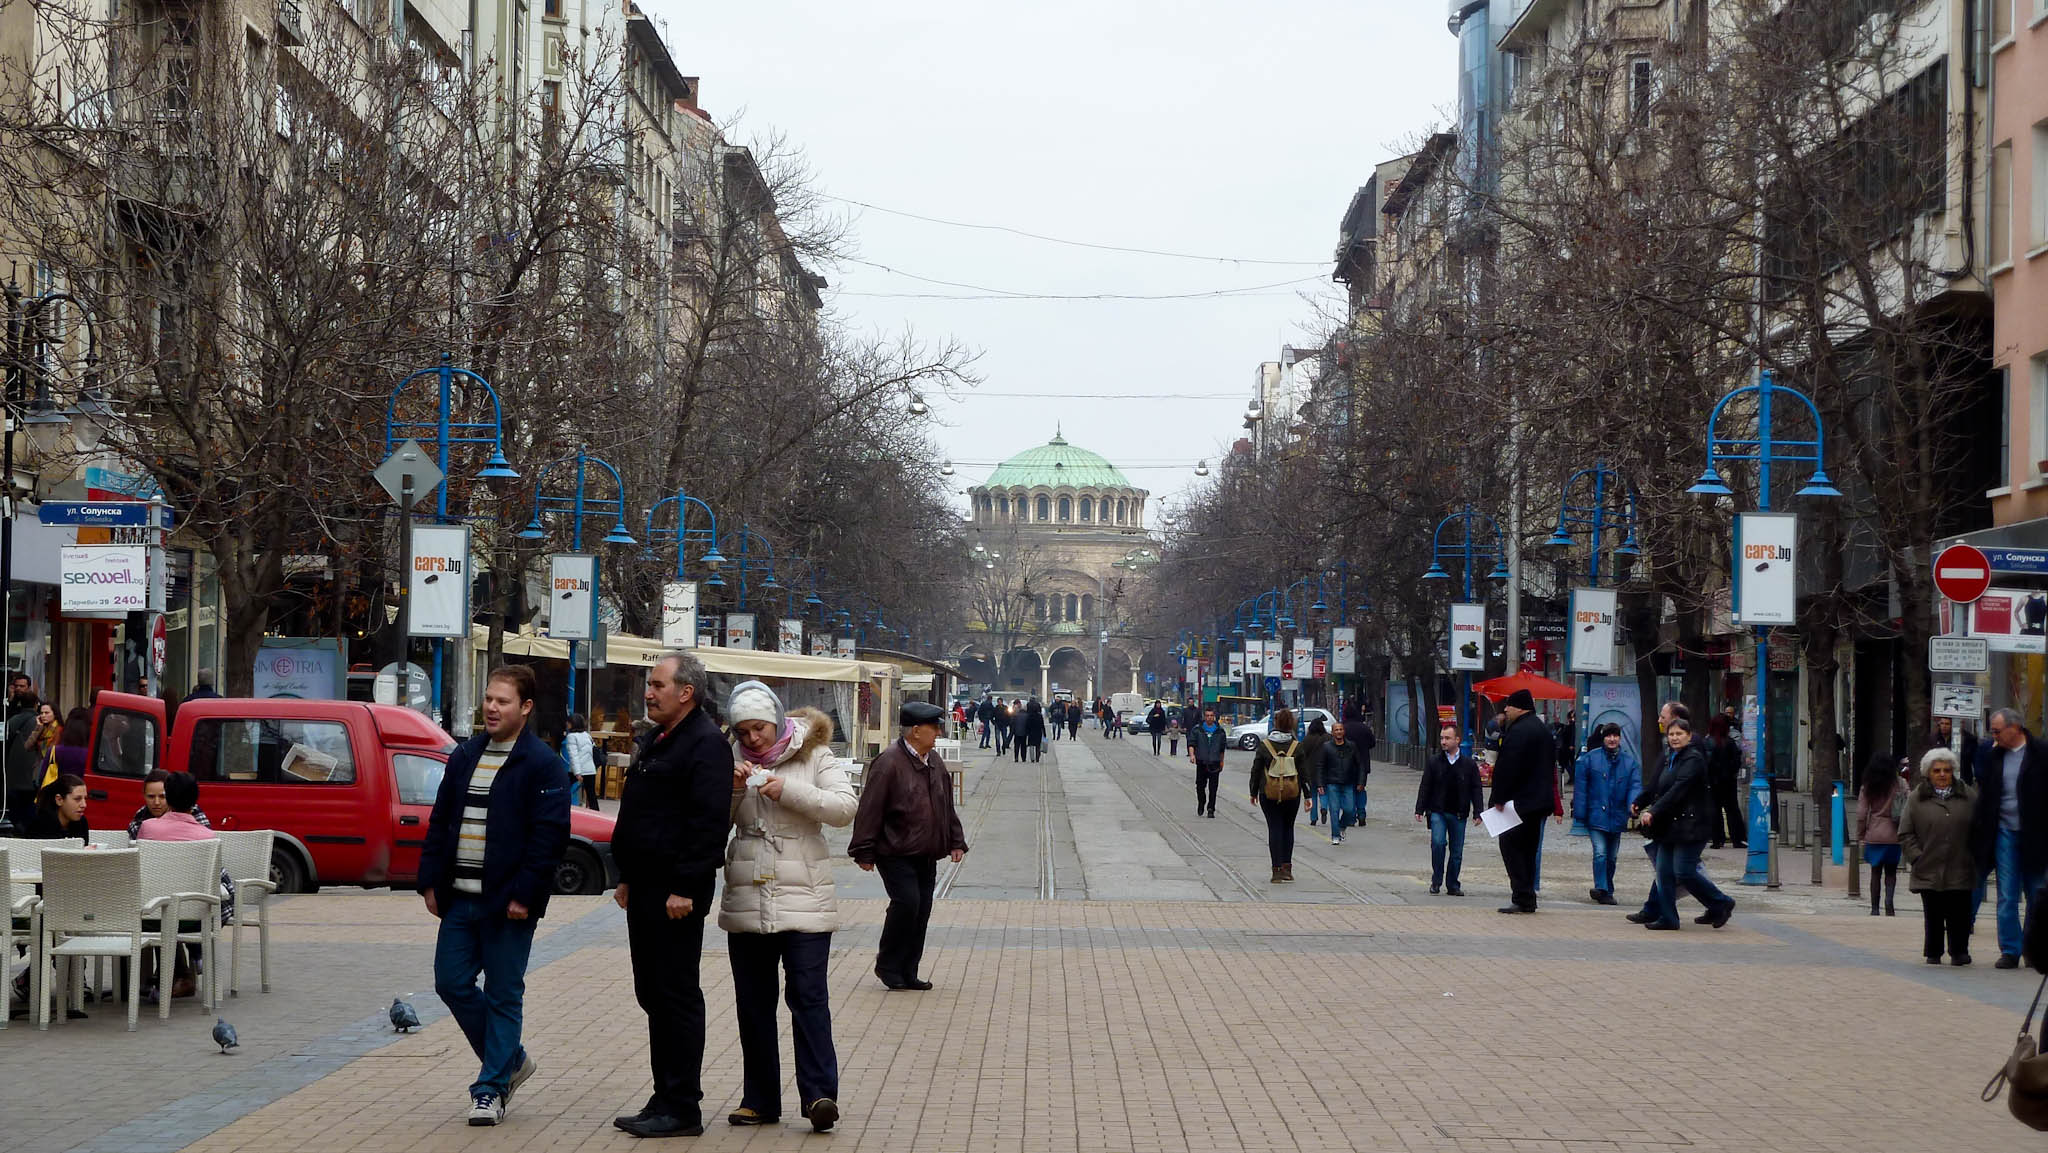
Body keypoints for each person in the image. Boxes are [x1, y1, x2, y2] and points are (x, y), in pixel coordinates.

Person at [417, 664, 569, 1128]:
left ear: (525, 707)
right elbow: (441, 820)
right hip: (460, 899)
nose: (491, 707)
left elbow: (550, 837)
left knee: (504, 994)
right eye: (488, 698)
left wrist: (525, 893)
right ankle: (511, 1060)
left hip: (508, 903)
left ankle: (490, 1090)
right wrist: (429, 880)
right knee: (451, 982)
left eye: (502, 701)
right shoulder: (464, 755)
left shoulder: (543, 763)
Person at [720, 681, 857, 1133]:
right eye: (743, 732)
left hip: (805, 897)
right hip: (747, 895)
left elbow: (843, 807)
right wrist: (735, 790)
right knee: (753, 1004)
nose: (752, 739)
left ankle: (819, 1094)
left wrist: (788, 792)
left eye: (758, 728)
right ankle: (759, 1099)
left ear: (776, 721)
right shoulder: (731, 760)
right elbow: (709, 822)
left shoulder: (814, 755)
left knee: (809, 998)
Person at [611, 652, 735, 1138]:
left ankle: (683, 1106)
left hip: (675, 894)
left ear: (686, 692)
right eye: (649, 683)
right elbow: (643, 815)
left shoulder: (705, 744)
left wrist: (685, 886)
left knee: (675, 995)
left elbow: (707, 824)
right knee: (653, 995)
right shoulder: (660, 739)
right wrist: (626, 875)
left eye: (658, 684)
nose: (649, 691)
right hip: (645, 886)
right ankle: (665, 1095)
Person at [848, 701, 968, 991]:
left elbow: (945, 806)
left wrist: (955, 840)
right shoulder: (889, 762)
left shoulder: (934, 761)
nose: (938, 732)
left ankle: (908, 970)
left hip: (926, 851)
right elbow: (870, 809)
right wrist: (864, 850)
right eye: (934, 727)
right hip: (895, 850)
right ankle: (888, 966)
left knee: (921, 909)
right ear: (915, 731)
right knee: (907, 904)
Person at [1633, 717, 1735, 930]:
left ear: (1689, 736)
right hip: (1669, 825)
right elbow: (1657, 786)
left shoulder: (1693, 759)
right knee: (1663, 872)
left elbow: (1678, 789)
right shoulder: (1671, 757)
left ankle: (1720, 902)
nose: (1675, 738)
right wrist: (1640, 802)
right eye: (1671, 734)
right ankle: (1669, 918)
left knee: (1683, 870)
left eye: (1679, 734)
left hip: (1692, 825)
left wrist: (1653, 811)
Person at [1969, 708, 2048, 969]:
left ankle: (2032, 948)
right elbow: (1984, 793)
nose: (1993, 736)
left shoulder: (2041, 754)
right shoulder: (1993, 755)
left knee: (2036, 892)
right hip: (2003, 830)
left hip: (2035, 833)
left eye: (1997, 731)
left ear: (2015, 728)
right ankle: (2010, 950)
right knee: (2007, 893)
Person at [1899, 747, 1976, 965]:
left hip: (1960, 865)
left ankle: (1959, 951)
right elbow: (1905, 833)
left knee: (1959, 913)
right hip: (1928, 865)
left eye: (1947, 770)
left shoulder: (1968, 795)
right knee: (1933, 913)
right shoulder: (1916, 798)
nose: (1942, 774)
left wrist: (1974, 855)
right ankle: (1933, 951)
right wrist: (1917, 857)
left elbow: (1980, 827)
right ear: (1928, 774)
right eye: (1937, 771)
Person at [1488, 689, 1557, 914]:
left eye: (1509, 705)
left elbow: (1508, 768)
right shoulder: (1543, 730)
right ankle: (1528, 896)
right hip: (1539, 803)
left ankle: (1522, 896)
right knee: (1529, 850)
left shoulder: (1518, 732)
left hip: (1518, 803)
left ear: (1520, 708)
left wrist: (1498, 798)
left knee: (1511, 847)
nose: (1505, 709)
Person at [1572, 723, 1641, 906]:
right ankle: (1601, 887)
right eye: (1608, 736)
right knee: (1600, 852)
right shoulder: (1591, 759)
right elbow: (1581, 789)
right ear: (1603, 738)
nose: (1612, 739)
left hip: (1617, 816)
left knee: (1612, 857)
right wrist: (1580, 813)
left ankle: (1607, 889)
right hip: (1596, 815)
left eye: (1615, 736)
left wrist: (1633, 805)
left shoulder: (1629, 762)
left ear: (1620, 738)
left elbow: (1634, 786)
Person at [1415, 725, 1484, 895]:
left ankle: (1453, 884)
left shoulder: (1468, 764)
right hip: (1438, 810)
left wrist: (1478, 812)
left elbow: (1476, 788)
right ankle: (1436, 879)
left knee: (1456, 851)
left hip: (1459, 812)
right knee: (1438, 844)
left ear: (1457, 740)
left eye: (1447, 738)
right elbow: (1426, 785)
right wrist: (1420, 808)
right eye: (1442, 738)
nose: (1443, 742)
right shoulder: (1434, 761)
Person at [1249, 707, 1301, 884]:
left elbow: (1256, 770)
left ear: (1276, 723)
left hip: (1268, 792)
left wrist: (1253, 791)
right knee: (1288, 828)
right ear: (1292, 724)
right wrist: (1309, 795)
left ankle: (1276, 870)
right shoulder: (1296, 746)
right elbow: (1304, 771)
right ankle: (1288, 868)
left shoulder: (1265, 746)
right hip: (1292, 793)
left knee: (1275, 828)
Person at [1856, 750, 1907, 917]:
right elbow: (1910, 802)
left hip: (1875, 834)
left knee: (1875, 872)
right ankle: (1889, 903)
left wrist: (1861, 834)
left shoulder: (1868, 786)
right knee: (1891, 872)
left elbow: (1862, 814)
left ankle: (1874, 908)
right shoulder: (1900, 783)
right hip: (1894, 834)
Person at [1319, 722, 1368, 846]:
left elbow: (1360, 765)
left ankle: (1342, 826)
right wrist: (1320, 784)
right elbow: (1320, 766)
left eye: (1341, 729)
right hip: (1332, 783)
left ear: (1344, 731)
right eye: (1336, 730)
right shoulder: (1326, 747)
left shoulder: (1351, 746)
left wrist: (1361, 782)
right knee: (1334, 810)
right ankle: (1335, 835)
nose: (1339, 732)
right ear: (1332, 732)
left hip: (1348, 782)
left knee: (1350, 810)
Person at [4, 673, 41, 831]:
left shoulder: (12, 720)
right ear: (36, 705)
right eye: (16, 686)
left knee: (16, 809)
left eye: (22, 686)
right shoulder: (40, 721)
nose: (18, 689)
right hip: (31, 775)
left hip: (13, 775)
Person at [128, 768, 212, 837]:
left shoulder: (192, 808)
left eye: (162, 797)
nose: (156, 802)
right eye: (151, 797)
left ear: (170, 795)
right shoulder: (142, 815)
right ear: (144, 795)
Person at [1705, 714, 1747, 849]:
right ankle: (1737, 838)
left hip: (1713, 781)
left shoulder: (1707, 742)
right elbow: (1736, 761)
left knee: (1715, 810)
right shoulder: (1729, 742)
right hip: (1728, 781)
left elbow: (1706, 762)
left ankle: (1717, 839)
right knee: (1732, 809)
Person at [22, 772, 88, 841]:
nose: (84, 805)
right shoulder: (41, 825)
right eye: (77, 799)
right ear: (59, 800)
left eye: (85, 798)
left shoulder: (81, 822)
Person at [1189, 707, 1227, 818]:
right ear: (1204, 717)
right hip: (1201, 762)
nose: (1209, 717)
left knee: (1213, 788)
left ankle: (1211, 809)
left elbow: (1222, 749)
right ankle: (1202, 802)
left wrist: (1222, 762)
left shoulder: (1220, 731)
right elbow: (1192, 743)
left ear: (1214, 717)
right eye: (1207, 715)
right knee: (1200, 786)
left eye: (1211, 715)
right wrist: (1192, 755)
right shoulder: (1198, 729)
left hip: (1215, 762)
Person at [562, 714, 600, 811]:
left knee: (562, 787)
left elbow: (573, 756)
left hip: (577, 770)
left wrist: (577, 773)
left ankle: (561, 808)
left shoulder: (571, 737)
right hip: (590, 770)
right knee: (591, 795)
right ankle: (597, 815)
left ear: (572, 724)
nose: (566, 724)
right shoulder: (587, 735)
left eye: (568, 722)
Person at [1297, 717, 1330, 827]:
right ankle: (1324, 808)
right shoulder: (1328, 738)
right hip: (1325, 770)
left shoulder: (1307, 739)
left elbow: (1301, 754)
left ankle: (1313, 818)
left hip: (1310, 771)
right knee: (1323, 791)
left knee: (1313, 794)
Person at [1016, 699, 1045, 764]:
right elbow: (1042, 725)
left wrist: (1026, 733)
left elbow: (1027, 725)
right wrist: (1044, 733)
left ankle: (1032, 759)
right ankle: (1037, 758)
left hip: (1031, 733)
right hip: (1038, 733)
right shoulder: (1039, 716)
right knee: (1038, 746)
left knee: (1031, 746)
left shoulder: (1029, 716)